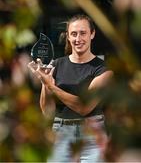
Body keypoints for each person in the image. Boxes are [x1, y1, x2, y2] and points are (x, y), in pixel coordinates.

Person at [28, 14, 113, 162]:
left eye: (83, 33)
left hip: (92, 134)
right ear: (68, 36)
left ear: (92, 34)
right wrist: (44, 82)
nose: (78, 39)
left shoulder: (103, 69)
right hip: (61, 132)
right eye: (73, 34)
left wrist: (51, 86)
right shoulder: (56, 65)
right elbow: (47, 111)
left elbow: (84, 107)